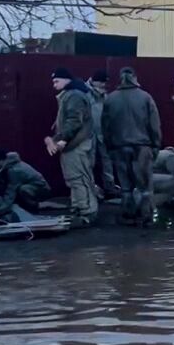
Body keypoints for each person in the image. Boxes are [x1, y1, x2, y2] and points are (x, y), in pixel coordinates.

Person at [103, 67, 162, 225]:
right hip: (142, 147)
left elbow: (106, 126)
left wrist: (109, 146)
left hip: (119, 147)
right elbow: (154, 125)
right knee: (144, 186)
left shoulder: (110, 99)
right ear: (135, 77)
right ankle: (146, 216)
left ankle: (128, 214)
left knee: (126, 186)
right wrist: (156, 145)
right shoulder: (145, 97)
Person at [46, 68, 97, 227]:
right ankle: (79, 209)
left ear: (66, 79)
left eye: (56, 81)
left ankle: (87, 212)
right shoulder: (72, 94)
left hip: (76, 144)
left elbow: (74, 121)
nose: (54, 85)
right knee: (74, 179)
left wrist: (62, 139)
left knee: (79, 179)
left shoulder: (73, 95)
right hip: (74, 144)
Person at [0, 147, 50, 212]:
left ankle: (35, 206)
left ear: (1, 160)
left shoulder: (15, 170)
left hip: (40, 188)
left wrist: (0, 210)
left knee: (23, 189)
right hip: (20, 188)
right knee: (0, 186)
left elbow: (10, 192)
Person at [88, 69, 118, 199]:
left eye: (105, 83)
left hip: (102, 132)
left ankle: (110, 187)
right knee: (89, 161)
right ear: (94, 81)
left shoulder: (105, 96)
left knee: (107, 161)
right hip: (88, 133)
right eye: (102, 82)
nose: (104, 85)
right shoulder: (84, 94)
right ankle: (90, 188)